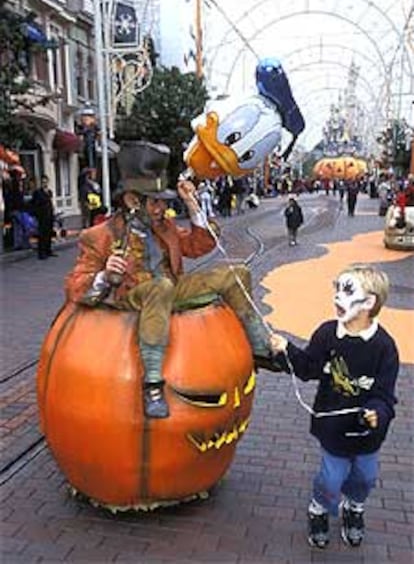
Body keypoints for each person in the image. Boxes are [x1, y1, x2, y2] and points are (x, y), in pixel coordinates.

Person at [65, 142, 284, 420]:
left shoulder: (164, 227)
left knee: (236, 274)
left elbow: (199, 245)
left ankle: (260, 348)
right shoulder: (100, 235)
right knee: (160, 287)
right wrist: (105, 275)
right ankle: (153, 384)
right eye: (155, 202)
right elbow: (75, 286)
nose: (163, 208)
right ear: (133, 200)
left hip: (169, 288)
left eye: (165, 202)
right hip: (131, 294)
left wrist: (193, 206)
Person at [270, 264, 399, 549]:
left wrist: (377, 412)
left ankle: (354, 507)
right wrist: (285, 350)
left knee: (365, 477)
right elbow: (307, 368)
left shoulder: (384, 346)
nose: (338, 297)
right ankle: (319, 507)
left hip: (367, 435)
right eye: (337, 288)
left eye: (348, 290)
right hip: (333, 429)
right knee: (331, 479)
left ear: (369, 302)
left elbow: (385, 394)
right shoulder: (327, 334)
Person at [31, 175, 56, 259]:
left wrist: (53, 212)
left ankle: (48, 250)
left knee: (49, 233)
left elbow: (50, 202)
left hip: (49, 215)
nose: (45, 184)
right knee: (42, 234)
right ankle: (41, 253)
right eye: (43, 182)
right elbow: (35, 205)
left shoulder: (49, 192)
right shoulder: (38, 192)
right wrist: (37, 215)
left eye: (46, 182)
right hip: (42, 216)